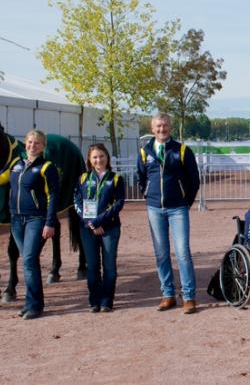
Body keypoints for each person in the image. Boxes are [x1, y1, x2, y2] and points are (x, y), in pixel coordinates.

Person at [137, 113, 200, 314]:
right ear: (152, 128)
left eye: (165, 126)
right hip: (155, 209)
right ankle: (167, 294)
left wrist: (184, 201)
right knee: (161, 254)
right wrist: (149, 195)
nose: (161, 129)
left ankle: (189, 296)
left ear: (170, 127)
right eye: (158, 126)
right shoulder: (145, 152)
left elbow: (194, 180)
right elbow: (141, 178)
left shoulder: (182, 150)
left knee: (182, 252)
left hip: (178, 209)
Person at [0, 130, 59, 320]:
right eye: (30, 142)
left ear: (43, 146)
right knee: (28, 263)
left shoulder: (46, 167)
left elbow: (53, 196)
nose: (32, 146)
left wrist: (50, 223)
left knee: (28, 261)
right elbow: (2, 179)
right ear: (25, 143)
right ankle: (30, 302)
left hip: (36, 219)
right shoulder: (16, 164)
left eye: (37, 143)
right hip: (17, 220)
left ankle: (35, 305)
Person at [74, 143, 126, 312]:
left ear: (107, 157)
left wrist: (99, 221)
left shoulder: (116, 179)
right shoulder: (82, 178)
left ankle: (107, 300)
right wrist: (90, 222)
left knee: (109, 266)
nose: (99, 160)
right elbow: (77, 202)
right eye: (95, 157)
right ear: (89, 159)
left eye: (102, 156)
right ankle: (94, 300)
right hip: (88, 229)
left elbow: (118, 204)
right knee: (93, 266)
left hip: (109, 228)